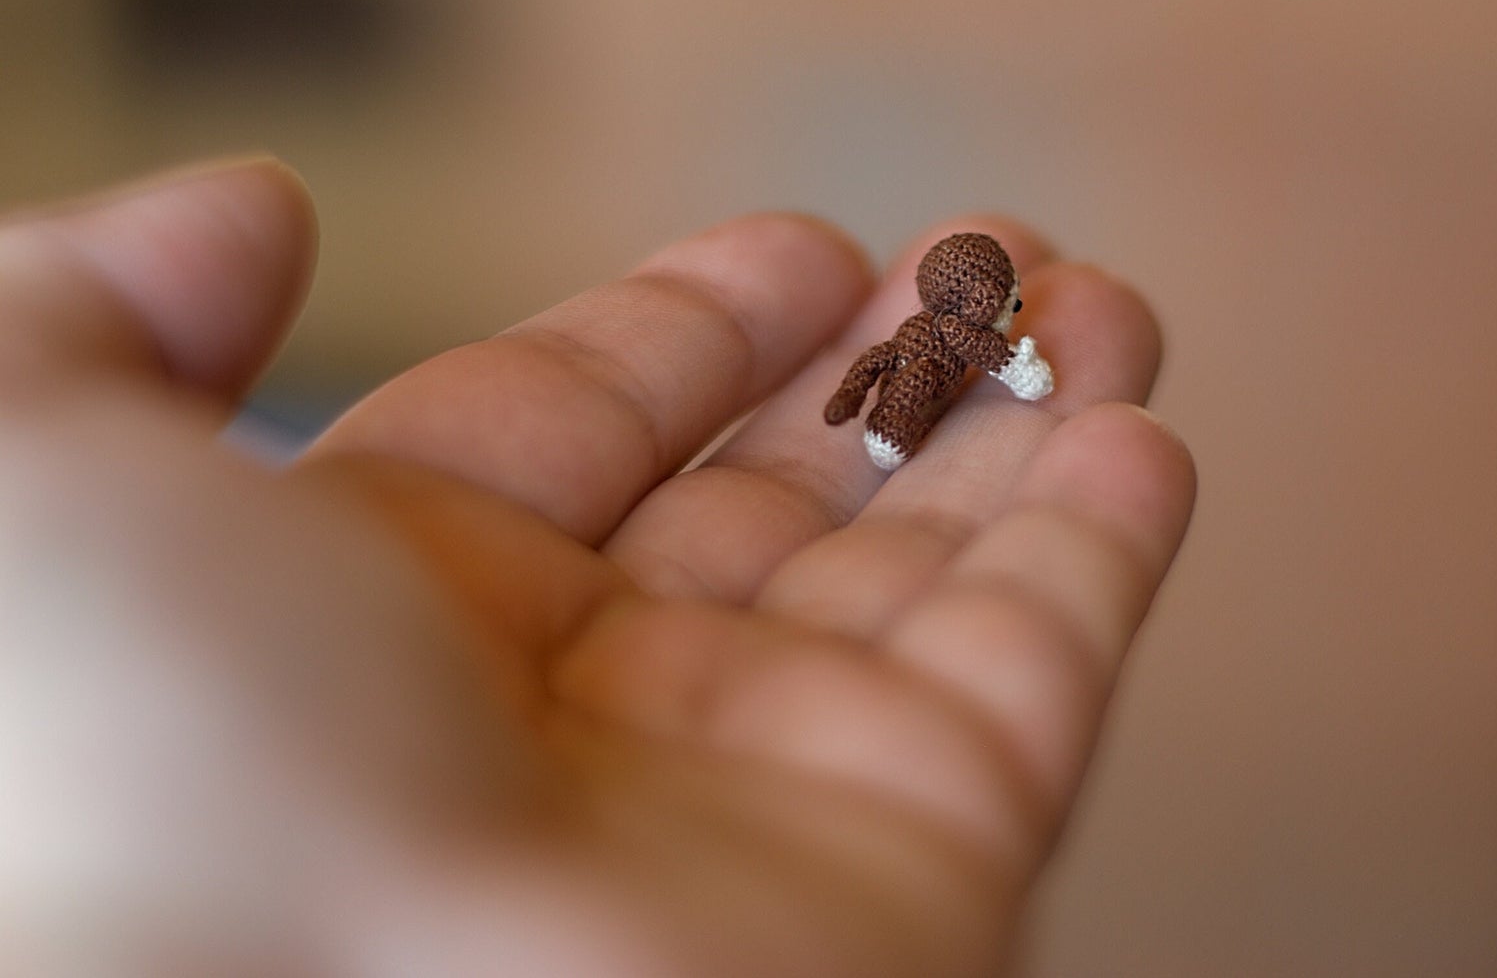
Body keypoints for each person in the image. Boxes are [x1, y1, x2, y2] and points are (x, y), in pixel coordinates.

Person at [0, 158, 1196, 977]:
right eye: (992, 296)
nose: (995, 306)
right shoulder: (963, 333)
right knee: (907, 428)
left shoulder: (935, 328)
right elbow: (963, 364)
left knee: (896, 422)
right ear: (979, 293)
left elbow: (892, 361)